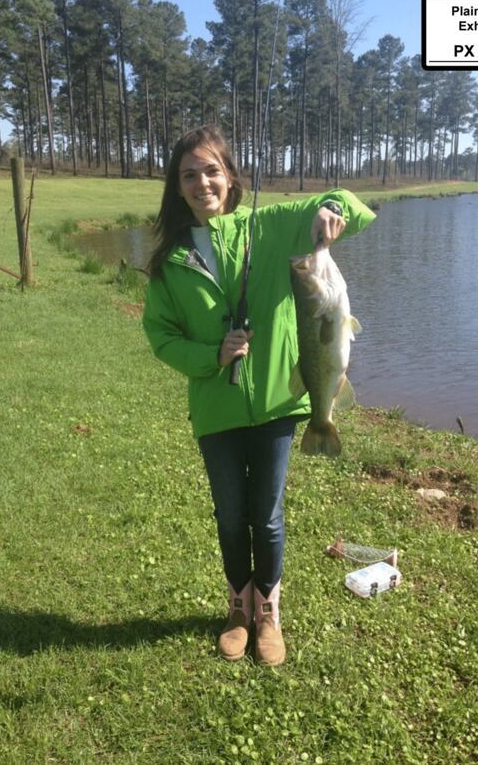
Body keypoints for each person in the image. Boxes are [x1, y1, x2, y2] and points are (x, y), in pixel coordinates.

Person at [143, 125, 375, 666]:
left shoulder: (267, 227)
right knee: (230, 516)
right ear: (177, 188)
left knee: (266, 516)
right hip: (216, 408)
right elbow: (161, 336)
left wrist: (330, 210)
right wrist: (212, 356)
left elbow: (355, 210)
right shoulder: (169, 262)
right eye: (189, 174)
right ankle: (238, 609)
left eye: (212, 170)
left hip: (275, 404)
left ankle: (268, 611)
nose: (203, 182)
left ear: (230, 177)